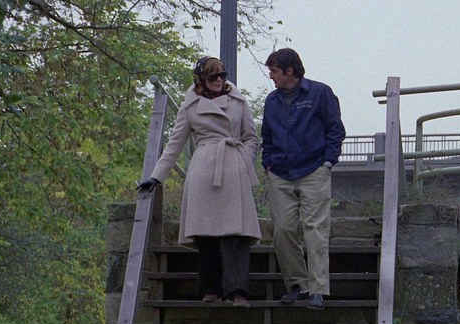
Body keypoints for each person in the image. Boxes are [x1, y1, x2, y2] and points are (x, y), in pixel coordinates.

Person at [137, 56, 261, 308]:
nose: (219, 80)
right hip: (204, 170)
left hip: (233, 168)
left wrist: (243, 159)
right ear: (201, 79)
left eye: (222, 75)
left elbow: (251, 136)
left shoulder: (238, 100)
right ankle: (210, 287)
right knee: (207, 233)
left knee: (236, 233)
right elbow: (175, 144)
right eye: (212, 76)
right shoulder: (190, 105)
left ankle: (238, 291)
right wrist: (155, 176)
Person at [261, 48, 346, 310]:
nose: (271, 76)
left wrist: (329, 161)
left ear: (289, 71)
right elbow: (267, 135)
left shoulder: (320, 93)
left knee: (315, 230)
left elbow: (335, 129)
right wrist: (268, 162)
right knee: (283, 230)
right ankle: (298, 286)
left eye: (274, 71)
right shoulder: (272, 101)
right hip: (280, 173)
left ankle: (318, 290)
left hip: (313, 170)